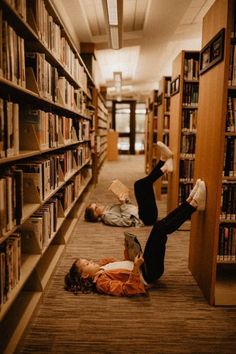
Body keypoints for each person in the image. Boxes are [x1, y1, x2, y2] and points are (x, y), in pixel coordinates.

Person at [64, 177, 206, 297]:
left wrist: (128, 250)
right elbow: (127, 289)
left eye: (87, 260)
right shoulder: (102, 283)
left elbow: (124, 265)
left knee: (159, 228)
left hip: (143, 265)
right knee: (159, 230)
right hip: (148, 274)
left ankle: (190, 202)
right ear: (85, 276)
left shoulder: (102, 267)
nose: (91, 261)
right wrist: (136, 267)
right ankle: (192, 205)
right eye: (87, 264)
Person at [84, 141, 174, 227]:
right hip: (146, 219)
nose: (98, 205)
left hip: (143, 212)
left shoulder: (108, 208)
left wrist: (126, 200)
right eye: (96, 208)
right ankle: (164, 167)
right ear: (96, 216)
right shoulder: (108, 218)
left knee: (145, 184)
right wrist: (122, 203)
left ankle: (163, 161)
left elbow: (129, 209)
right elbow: (126, 221)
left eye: (96, 204)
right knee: (139, 185)